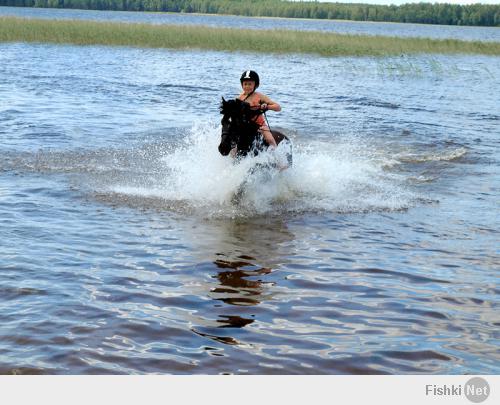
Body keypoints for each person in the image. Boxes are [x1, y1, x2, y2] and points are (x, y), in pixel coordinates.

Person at [238, 70, 281, 149]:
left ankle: (277, 156)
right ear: (242, 84)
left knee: (270, 139)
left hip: (260, 125)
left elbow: (278, 107)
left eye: (250, 84)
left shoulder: (259, 96)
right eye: (245, 84)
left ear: (255, 85)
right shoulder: (239, 98)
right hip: (244, 125)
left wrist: (267, 107)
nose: (247, 86)